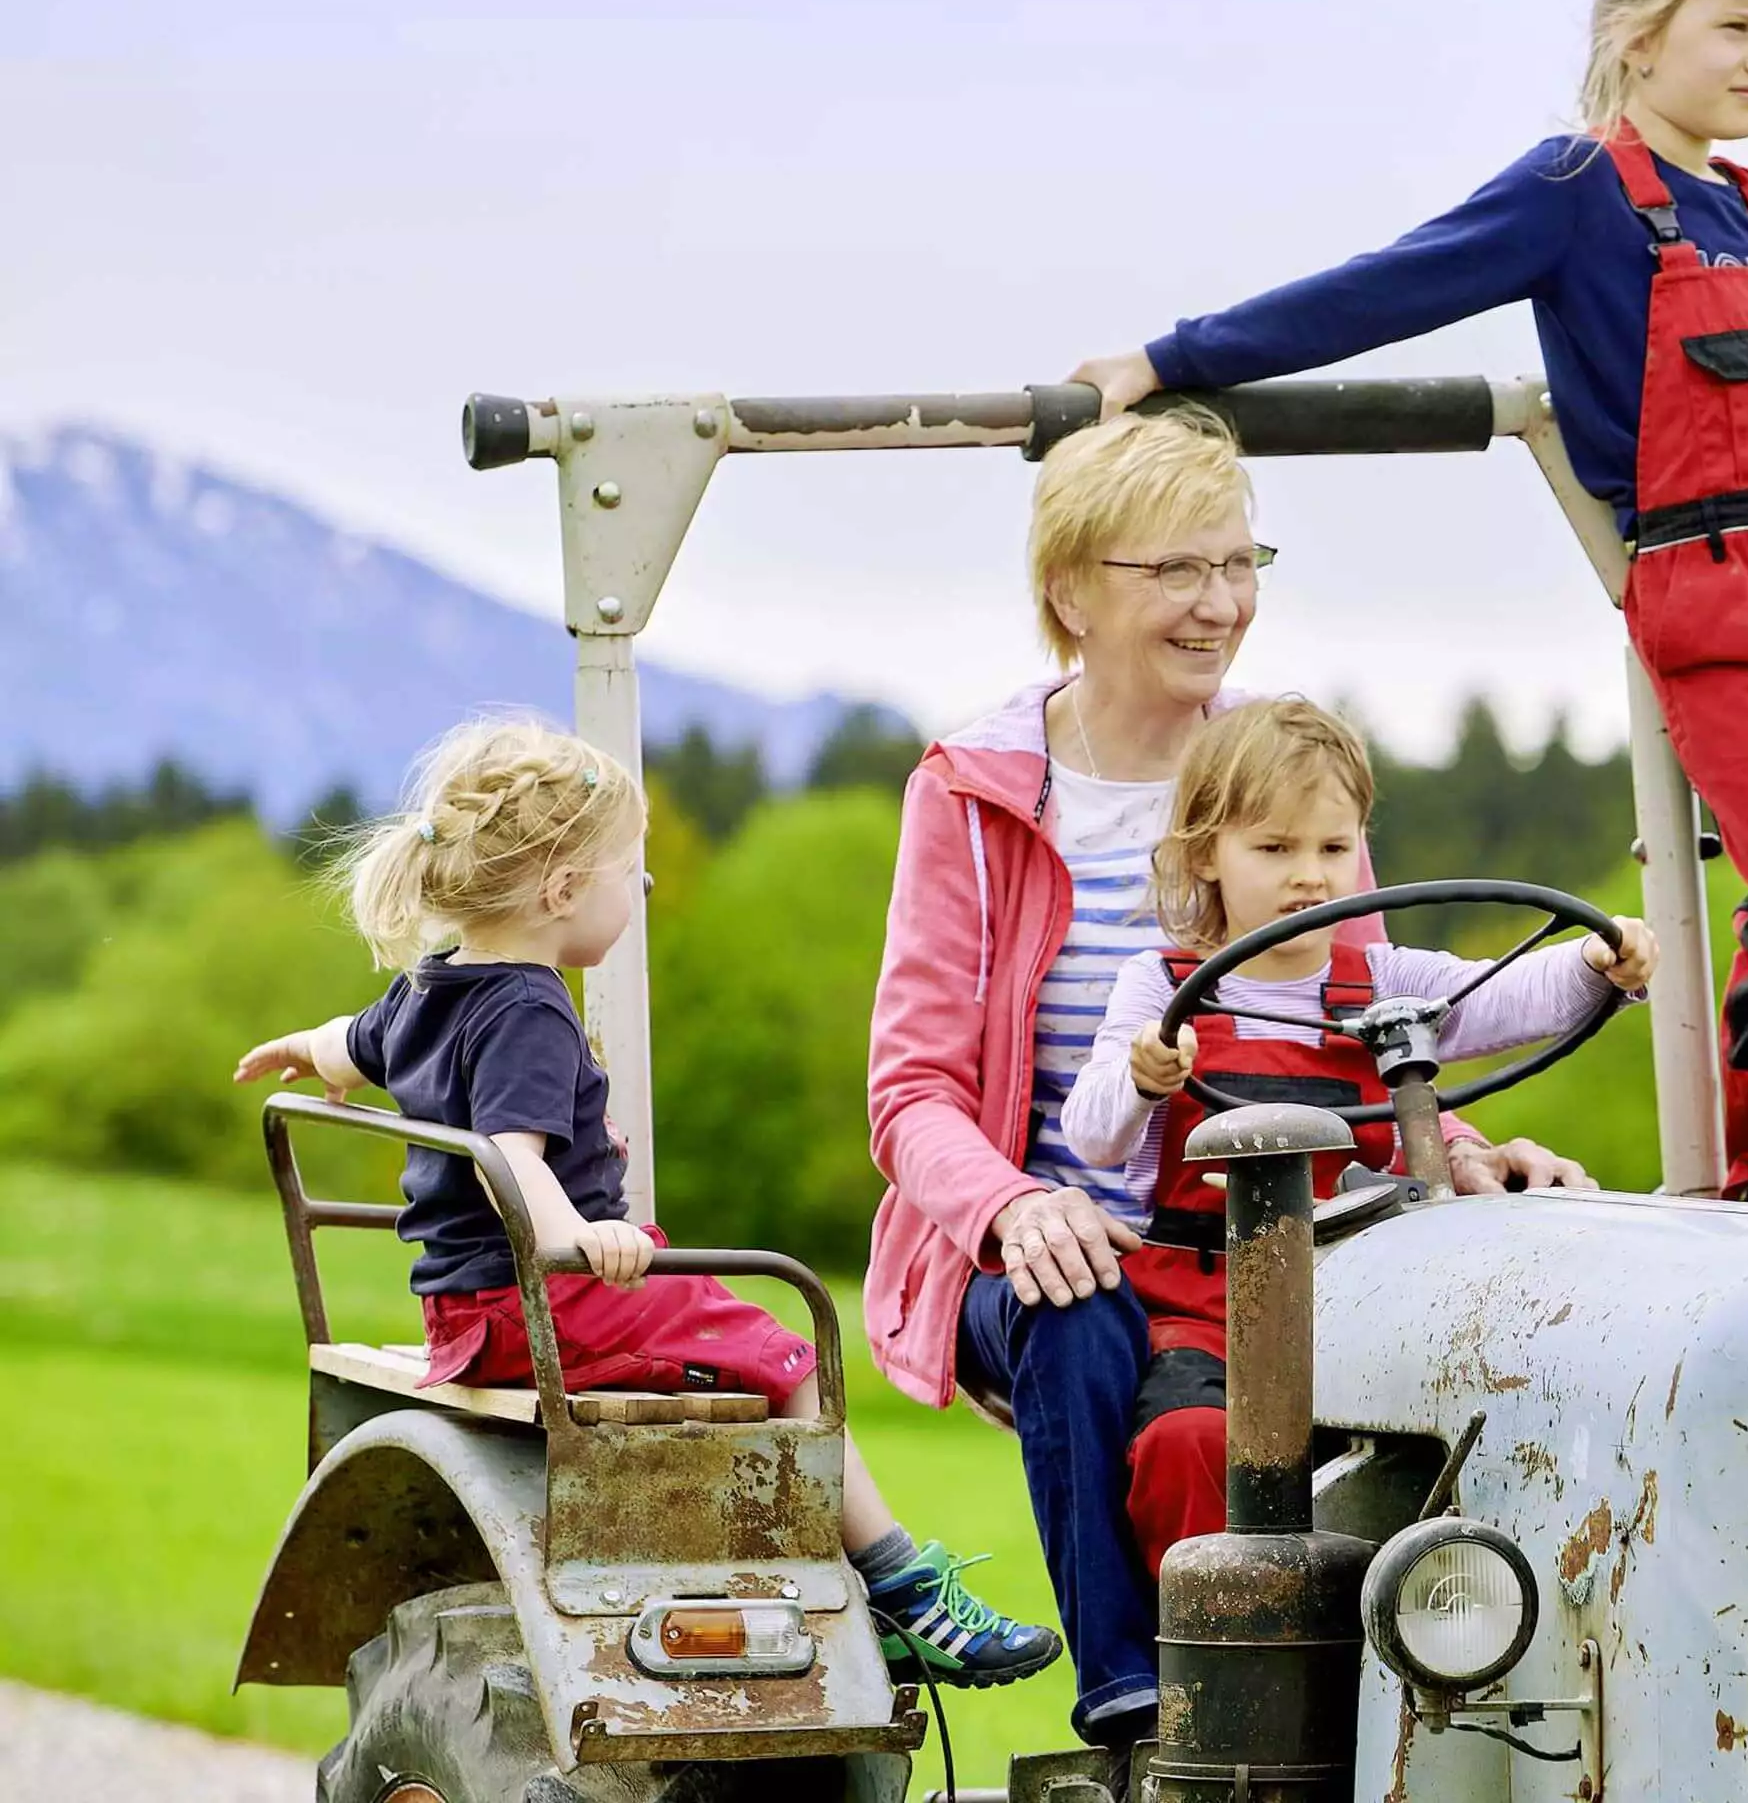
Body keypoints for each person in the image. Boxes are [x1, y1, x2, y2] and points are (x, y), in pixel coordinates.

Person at [1065, 0, 1748, 1215]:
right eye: (1737, 27)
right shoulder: (1578, 193)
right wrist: (1174, 359)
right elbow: (1386, 287)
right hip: (1722, 599)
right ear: (1639, 36)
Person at [862, 409, 1593, 1751]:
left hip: (1268, 1233)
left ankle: (1456, 1688)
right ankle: (1142, 1699)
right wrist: (1016, 1206)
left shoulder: (1281, 773)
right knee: (1072, 1306)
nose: (1222, 605)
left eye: (1239, 562)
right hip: (1041, 1242)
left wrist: (1470, 1148)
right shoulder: (974, 794)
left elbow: (1364, 1029)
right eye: (1177, 572)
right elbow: (910, 1094)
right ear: (1071, 593)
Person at [233, 717, 1057, 1688]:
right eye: (632, 869)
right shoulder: (529, 1007)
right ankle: (903, 1591)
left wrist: (302, 1050)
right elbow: (513, 1154)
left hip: (462, 1305)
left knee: (732, 1332)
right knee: (789, 1354)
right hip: (547, 1298)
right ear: (561, 889)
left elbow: (351, 1044)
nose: (645, 889)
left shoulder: (431, 983)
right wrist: (579, 1237)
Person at [1063, 696, 1652, 1370]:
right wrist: (1141, 1080)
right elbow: (1091, 1135)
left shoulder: (1387, 984)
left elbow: (1510, 994)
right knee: (1186, 1439)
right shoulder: (1161, 990)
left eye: (1333, 847)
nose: (1311, 874)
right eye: (1275, 848)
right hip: (1201, 1320)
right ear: (1205, 855)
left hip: (1360, 1314)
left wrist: (1594, 961)